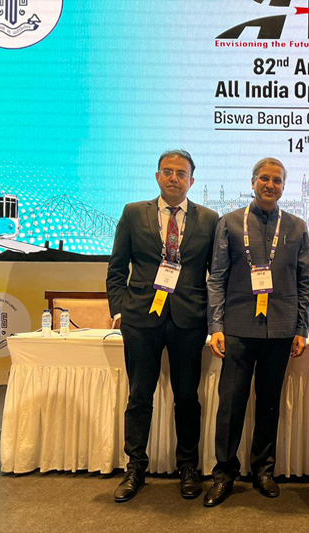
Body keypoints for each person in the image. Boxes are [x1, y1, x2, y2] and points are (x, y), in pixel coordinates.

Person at [106, 149, 218, 502]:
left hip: (188, 320)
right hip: (141, 319)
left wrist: (214, 319)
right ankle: (135, 468)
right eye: (167, 172)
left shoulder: (209, 219)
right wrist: (120, 310)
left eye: (181, 173)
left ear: (191, 181)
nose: (173, 178)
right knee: (140, 396)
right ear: (157, 176)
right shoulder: (133, 212)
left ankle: (188, 467)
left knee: (187, 397)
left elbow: (216, 275)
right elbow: (117, 267)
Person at [203, 157, 309, 507]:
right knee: (230, 406)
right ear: (253, 182)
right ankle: (224, 474)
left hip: (280, 330)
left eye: (277, 180)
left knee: (269, 404)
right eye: (264, 178)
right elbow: (216, 278)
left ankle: (263, 470)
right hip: (237, 328)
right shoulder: (230, 223)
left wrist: (302, 327)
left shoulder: (296, 226)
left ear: (283, 187)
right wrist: (216, 326)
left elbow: (305, 282)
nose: (270, 185)